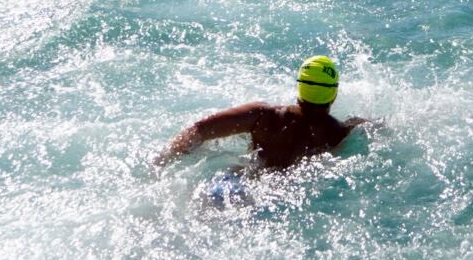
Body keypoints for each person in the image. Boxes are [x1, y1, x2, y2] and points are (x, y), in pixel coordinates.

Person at [156, 55, 368, 172]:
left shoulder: (263, 115)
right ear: (333, 94)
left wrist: (162, 162)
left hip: (240, 184)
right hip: (281, 196)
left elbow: (199, 130)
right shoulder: (341, 132)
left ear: (299, 87)